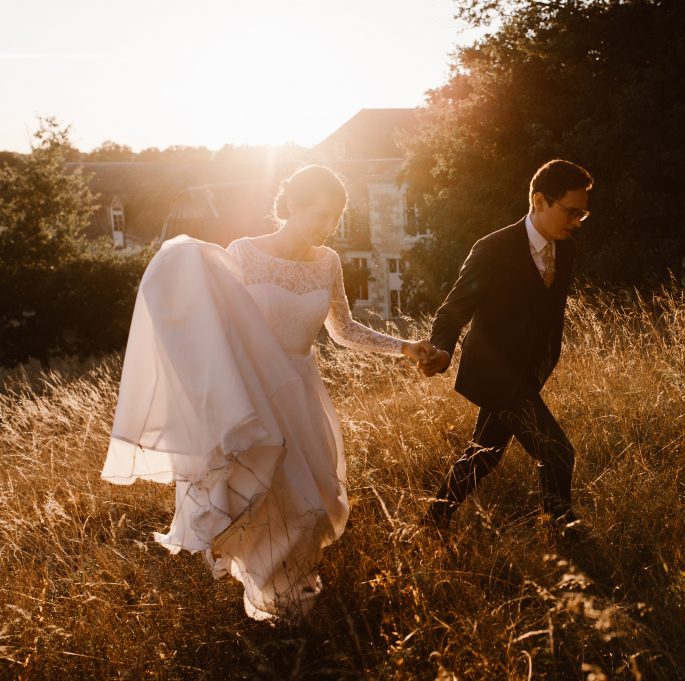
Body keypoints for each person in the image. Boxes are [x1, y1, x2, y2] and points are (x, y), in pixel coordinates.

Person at [101, 165, 433, 621]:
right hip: (253, 394)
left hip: (301, 394)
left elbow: (343, 330)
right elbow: (213, 321)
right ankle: (282, 607)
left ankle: (291, 602)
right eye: (320, 214)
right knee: (266, 501)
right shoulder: (244, 253)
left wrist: (404, 348)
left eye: (335, 216)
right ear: (291, 207)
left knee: (316, 503)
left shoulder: (329, 261)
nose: (327, 225)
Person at [419, 159, 593, 540]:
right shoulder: (493, 248)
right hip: (494, 372)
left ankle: (432, 524)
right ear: (539, 201)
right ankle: (563, 534)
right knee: (557, 451)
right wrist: (443, 351)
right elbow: (455, 307)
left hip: (527, 374)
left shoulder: (566, 250)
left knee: (484, 454)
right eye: (572, 211)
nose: (578, 220)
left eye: (583, 212)